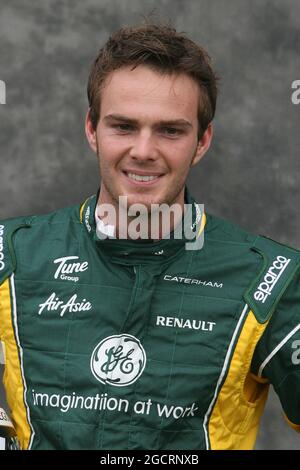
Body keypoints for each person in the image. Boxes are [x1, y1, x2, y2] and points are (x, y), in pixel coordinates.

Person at [0, 22, 299, 451]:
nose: (143, 150)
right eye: (123, 126)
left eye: (170, 130)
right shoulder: (12, 253)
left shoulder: (270, 278)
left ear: (202, 141)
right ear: (92, 129)